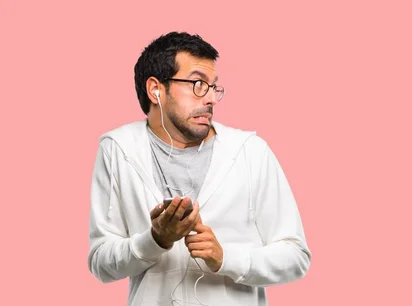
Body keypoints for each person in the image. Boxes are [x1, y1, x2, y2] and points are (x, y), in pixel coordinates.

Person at [87, 31, 311, 306]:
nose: (211, 99)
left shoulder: (251, 151)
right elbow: (101, 262)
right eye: (197, 83)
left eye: (213, 86)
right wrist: (155, 240)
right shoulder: (118, 149)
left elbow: (296, 256)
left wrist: (225, 258)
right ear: (155, 89)